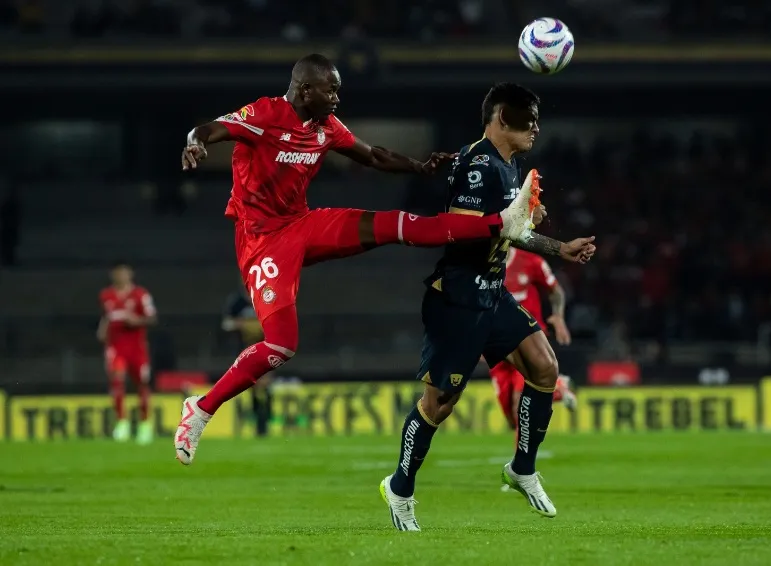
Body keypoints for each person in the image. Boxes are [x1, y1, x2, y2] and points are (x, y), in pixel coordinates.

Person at [174, 54, 541, 465]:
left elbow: (374, 156)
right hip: (262, 241)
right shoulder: (264, 113)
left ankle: (500, 223)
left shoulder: (325, 127)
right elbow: (207, 128)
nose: (336, 97)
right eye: (330, 90)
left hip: (303, 224)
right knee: (280, 344)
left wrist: (418, 167)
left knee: (396, 225)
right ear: (305, 89)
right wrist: (194, 143)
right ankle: (201, 409)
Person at [379, 83, 596, 531]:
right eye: (527, 118)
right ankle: (399, 487)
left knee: (544, 366)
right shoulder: (479, 164)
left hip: (492, 293)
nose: (536, 126)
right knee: (439, 403)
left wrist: (560, 248)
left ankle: (522, 468)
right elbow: (459, 227)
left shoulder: (510, 166)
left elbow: (513, 233)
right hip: (457, 298)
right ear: (501, 118)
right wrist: (513, 219)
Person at [491, 247, 576, 431]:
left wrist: (558, 316)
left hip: (528, 340)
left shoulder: (531, 262)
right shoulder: (481, 266)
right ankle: (558, 388)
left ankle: (522, 460)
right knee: (511, 419)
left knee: (519, 406)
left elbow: (556, 291)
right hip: (496, 346)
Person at [98, 262, 157, 444]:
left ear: (130, 274)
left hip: (137, 348)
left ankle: (145, 424)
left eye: (124, 272)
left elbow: (152, 318)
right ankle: (121, 423)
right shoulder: (106, 295)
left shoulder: (140, 294)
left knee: (142, 385)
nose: (121, 276)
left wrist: (136, 320)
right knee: (117, 380)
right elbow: (107, 317)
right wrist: (102, 330)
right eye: (118, 273)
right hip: (116, 348)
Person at [221, 284, 272, 437]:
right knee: (252, 386)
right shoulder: (237, 302)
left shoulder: (267, 296)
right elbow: (226, 324)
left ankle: (265, 420)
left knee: (264, 384)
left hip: (265, 348)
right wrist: (242, 324)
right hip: (243, 350)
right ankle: (258, 420)